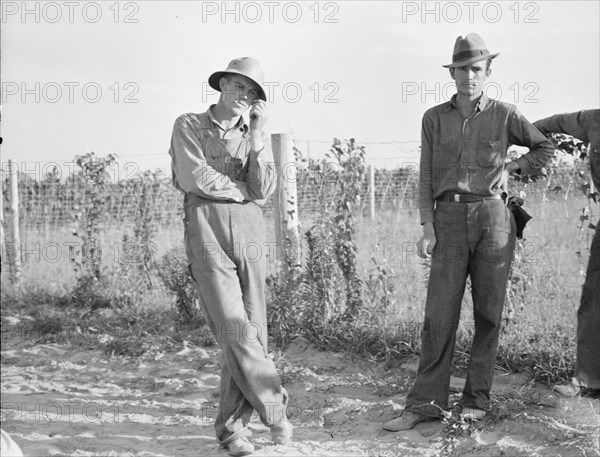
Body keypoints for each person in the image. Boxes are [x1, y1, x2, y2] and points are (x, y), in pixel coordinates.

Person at [383, 33, 554, 431]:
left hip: (494, 220)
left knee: (488, 314)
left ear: (488, 72)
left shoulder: (506, 114)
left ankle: (476, 400)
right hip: (447, 219)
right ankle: (424, 404)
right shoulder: (433, 117)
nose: (469, 76)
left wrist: (513, 168)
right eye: (462, 69)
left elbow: (544, 149)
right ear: (453, 73)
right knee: (438, 315)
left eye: (476, 69)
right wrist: (427, 226)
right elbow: (426, 174)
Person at [168, 57, 292, 456]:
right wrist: (242, 191)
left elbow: (265, 188)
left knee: (254, 330)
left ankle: (232, 432)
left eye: (253, 92)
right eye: (239, 86)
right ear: (222, 84)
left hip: (251, 235)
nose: (244, 96)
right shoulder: (188, 124)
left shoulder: (252, 131)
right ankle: (275, 409)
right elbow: (194, 177)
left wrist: (258, 137)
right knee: (234, 329)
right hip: (207, 231)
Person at [533, 109, 600, 398]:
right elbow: (553, 124)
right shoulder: (592, 120)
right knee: (594, 300)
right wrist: (520, 135)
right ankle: (589, 379)